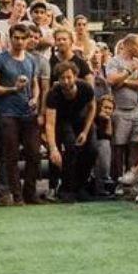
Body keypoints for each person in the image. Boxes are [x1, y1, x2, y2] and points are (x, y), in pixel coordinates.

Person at [0, 23, 45, 205]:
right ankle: (17, 195)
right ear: (10, 39)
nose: (19, 42)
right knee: (10, 156)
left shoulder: (31, 60)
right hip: (8, 114)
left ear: (28, 40)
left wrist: (35, 98)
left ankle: (30, 192)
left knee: (34, 154)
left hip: (28, 113)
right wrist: (13, 88)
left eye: (22, 38)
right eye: (16, 38)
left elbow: (35, 83)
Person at [45, 60, 98, 202]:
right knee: (70, 147)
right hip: (63, 121)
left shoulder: (86, 88)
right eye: (62, 78)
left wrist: (85, 132)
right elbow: (50, 123)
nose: (66, 81)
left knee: (92, 149)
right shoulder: (53, 94)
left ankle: (81, 186)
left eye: (69, 77)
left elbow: (92, 108)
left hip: (82, 119)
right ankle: (66, 189)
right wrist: (53, 148)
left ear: (75, 76)